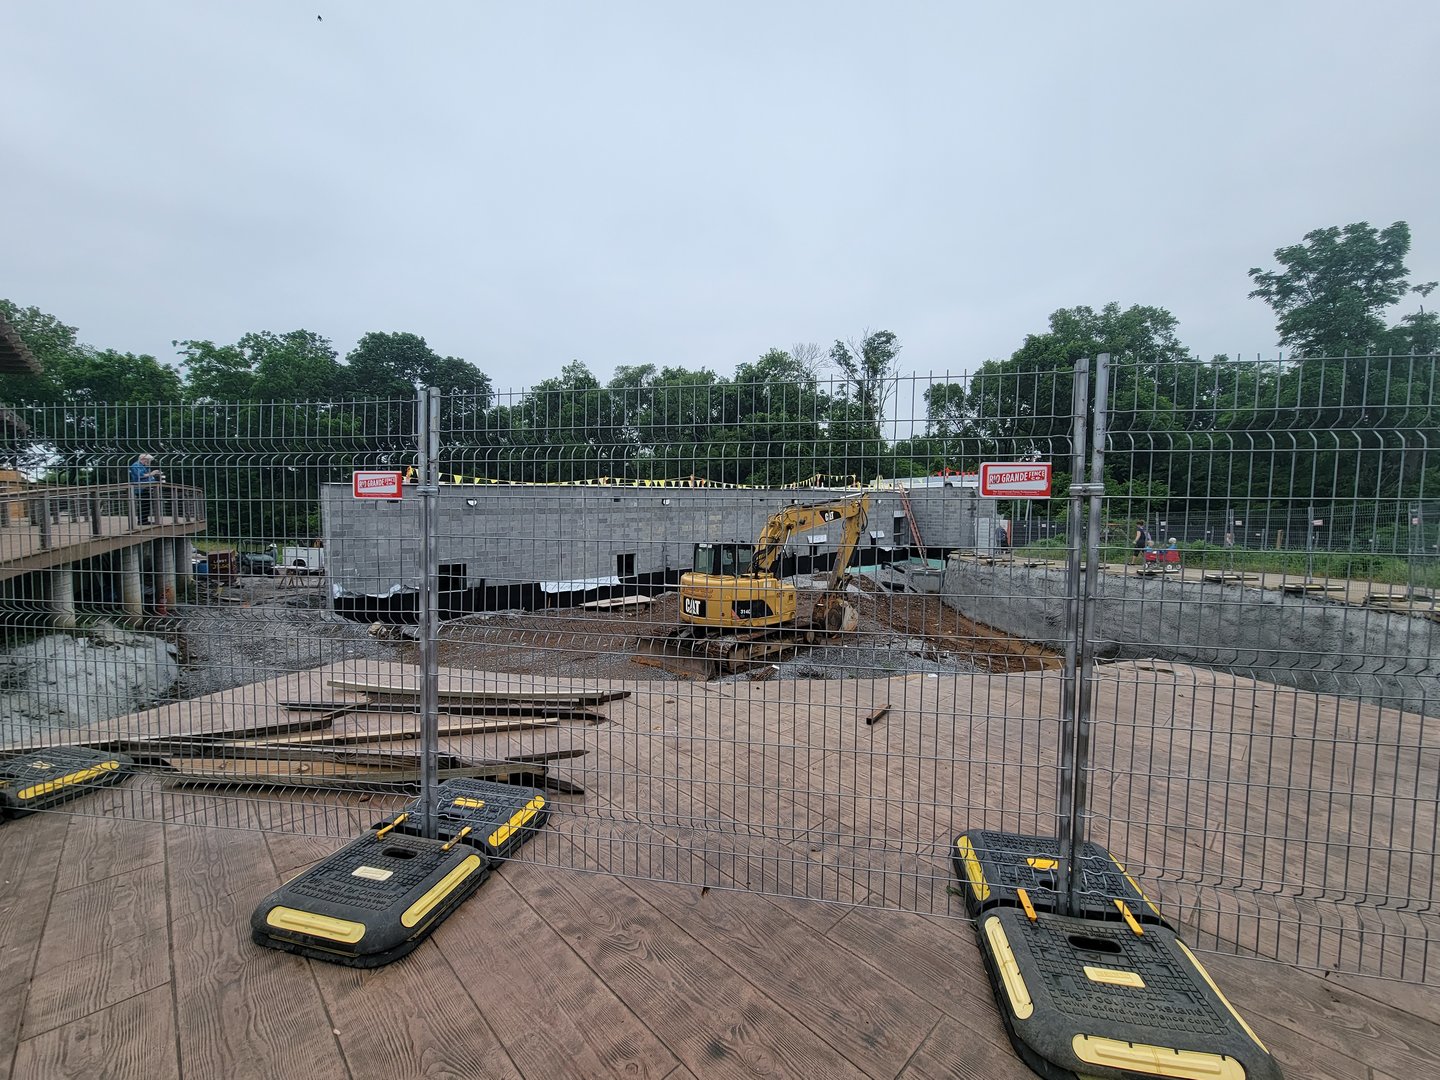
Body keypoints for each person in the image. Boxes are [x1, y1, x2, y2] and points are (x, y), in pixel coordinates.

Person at [130, 453, 163, 524]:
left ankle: (144, 520)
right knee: (143, 504)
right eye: (148, 460)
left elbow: (148, 476)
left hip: (147, 487)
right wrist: (152, 473)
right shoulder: (136, 465)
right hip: (140, 488)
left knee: (147, 504)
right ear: (143, 459)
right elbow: (140, 475)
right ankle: (142, 520)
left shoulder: (144, 466)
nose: (148, 462)